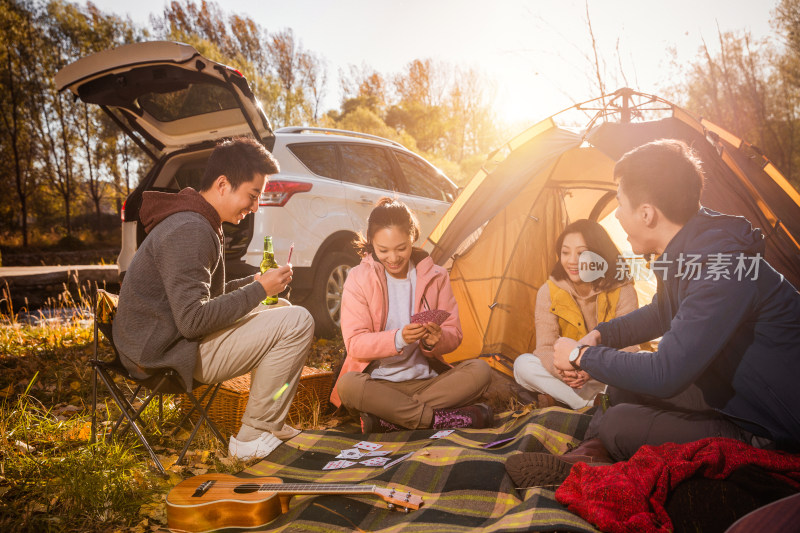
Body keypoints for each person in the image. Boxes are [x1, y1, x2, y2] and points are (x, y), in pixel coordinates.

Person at [550, 138, 800, 462]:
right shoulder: (689, 244)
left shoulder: (721, 267)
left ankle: (598, 450)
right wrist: (599, 337)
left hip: (771, 422)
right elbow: (660, 312)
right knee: (621, 387)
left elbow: (665, 374)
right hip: (733, 389)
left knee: (618, 424)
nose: (615, 214)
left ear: (647, 214)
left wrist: (579, 355)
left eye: (619, 202)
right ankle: (590, 452)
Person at [113, 137, 314, 461]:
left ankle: (269, 425)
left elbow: (203, 296)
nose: (255, 206)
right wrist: (259, 290)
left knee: (284, 310)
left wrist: (254, 282)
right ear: (223, 184)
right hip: (159, 355)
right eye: (252, 195)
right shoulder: (189, 229)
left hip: (163, 340)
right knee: (297, 320)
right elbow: (193, 321)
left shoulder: (196, 220)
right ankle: (253, 436)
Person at [331, 197, 493, 433]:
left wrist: (434, 340)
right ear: (371, 244)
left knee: (481, 371)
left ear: (413, 238)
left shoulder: (436, 276)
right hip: (379, 387)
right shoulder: (359, 278)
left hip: (429, 384)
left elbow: (454, 334)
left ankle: (390, 421)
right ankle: (439, 420)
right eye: (383, 250)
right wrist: (398, 338)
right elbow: (355, 345)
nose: (393, 258)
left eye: (401, 248)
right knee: (348, 385)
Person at [513, 219, 640, 409]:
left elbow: (630, 348)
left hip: (607, 372)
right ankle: (590, 403)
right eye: (565, 252)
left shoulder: (623, 290)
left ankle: (573, 400)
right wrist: (564, 373)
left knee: (642, 360)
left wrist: (594, 370)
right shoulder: (549, 291)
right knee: (522, 365)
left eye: (581, 253)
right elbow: (545, 348)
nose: (572, 260)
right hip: (568, 374)